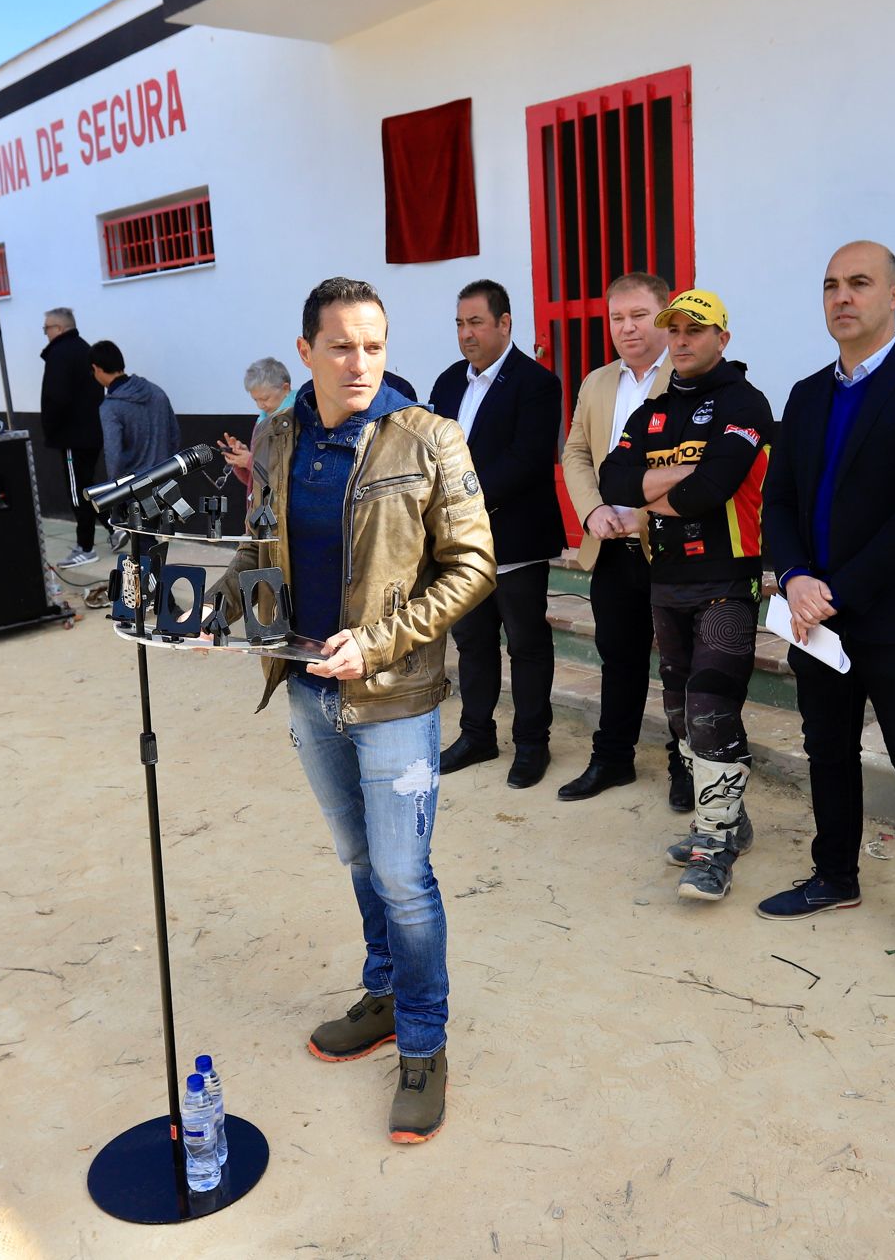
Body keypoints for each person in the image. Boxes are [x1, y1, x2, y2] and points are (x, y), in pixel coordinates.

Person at [212, 276, 494, 1144]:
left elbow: (473, 566)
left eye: (374, 344)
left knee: (406, 876)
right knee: (358, 856)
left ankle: (423, 1040)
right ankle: (383, 990)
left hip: (395, 693)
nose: (361, 361)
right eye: (341, 345)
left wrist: (375, 642)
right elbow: (265, 542)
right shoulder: (278, 434)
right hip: (305, 687)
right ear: (306, 351)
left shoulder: (430, 437)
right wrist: (217, 606)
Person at [754, 242, 895, 985]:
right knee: (827, 748)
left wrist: (830, 589)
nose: (842, 297)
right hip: (814, 615)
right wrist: (793, 576)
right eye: (830, 286)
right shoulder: (807, 393)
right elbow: (778, 498)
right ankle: (835, 874)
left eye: (859, 283)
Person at [599, 289, 775, 902]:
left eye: (695, 330)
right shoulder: (653, 408)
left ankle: (714, 844)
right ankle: (729, 820)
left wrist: (650, 486)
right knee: (678, 713)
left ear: (722, 339)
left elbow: (715, 489)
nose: (680, 339)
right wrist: (677, 478)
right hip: (665, 580)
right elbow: (610, 478)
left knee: (710, 708)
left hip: (729, 579)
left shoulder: (745, 402)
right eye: (672, 328)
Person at [429, 279, 565, 788]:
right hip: (459, 545)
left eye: (476, 323)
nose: (466, 334)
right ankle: (477, 734)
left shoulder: (536, 383)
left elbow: (527, 461)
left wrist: (461, 501)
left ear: (505, 324)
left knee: (527, 644)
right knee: (472, 641)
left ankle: (532, 743)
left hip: (515, 538)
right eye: (460, 324)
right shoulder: (446, 383)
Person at [556, 271, 678, 802]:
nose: (626, 328)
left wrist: (644, 516)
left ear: (666, 314)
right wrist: (592, 509)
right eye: (617, 318)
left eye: (639, 315)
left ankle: (688, 767)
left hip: (673, 546)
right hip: (609, 545)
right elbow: (576, 452)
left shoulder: (689, 375)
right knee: (618, 656)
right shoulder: (598, 381)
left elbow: (699, 470)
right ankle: (613, 758)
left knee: (682, 663)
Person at [37, 308, 103, 566]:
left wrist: (52, 429)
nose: (46, 333)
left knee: (78, 491)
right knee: (90, 486)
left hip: (72, 436)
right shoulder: (83, 348)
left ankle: (85, 547)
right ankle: (115, 529)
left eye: (47, 329)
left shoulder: (60, 354)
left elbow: (57, 397)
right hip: (90, 432)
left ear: (60, 328)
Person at [92, 340, 181, 481]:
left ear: (96, 368)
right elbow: (175, 438)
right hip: (165, 483)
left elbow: (114, 455)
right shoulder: (157, 392)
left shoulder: (110, 407)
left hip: (133, 489)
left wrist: (115, 490)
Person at [217, 356, 295, 490]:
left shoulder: (299, 419)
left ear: (286, 388)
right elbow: (252, 481)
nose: (260, 405)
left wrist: (249, 461)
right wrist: (240, 459)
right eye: (255, 400)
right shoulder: (262, 422)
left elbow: (292, 474)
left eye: (265, 398)